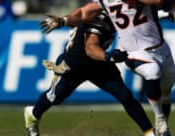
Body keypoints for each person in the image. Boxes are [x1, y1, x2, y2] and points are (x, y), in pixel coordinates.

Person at [40, 0, 175, 136]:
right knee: (152, 72)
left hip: (160, 47)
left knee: (167, 90)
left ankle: (164, 125)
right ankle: (159, 122)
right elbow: (83, 13)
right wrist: (62, 21)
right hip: (133, 51)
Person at [24, 12, 156, 136]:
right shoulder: (100, 19)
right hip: (76, 66)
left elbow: (136, 17)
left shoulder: (116, 13)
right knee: (54, 97)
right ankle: (33, 114)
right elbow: (91, 49)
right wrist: (109, 56)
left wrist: (157, 15)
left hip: (98, 65)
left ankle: (150, 133)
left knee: (125, 95)